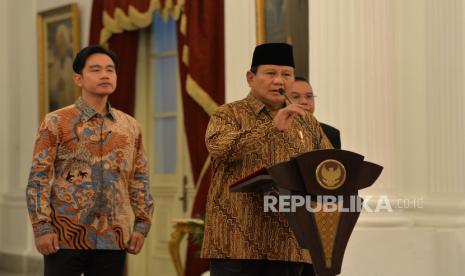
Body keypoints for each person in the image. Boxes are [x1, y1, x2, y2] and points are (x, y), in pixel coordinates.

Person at [201, 43, 332, 276]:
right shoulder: (228, 114)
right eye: (271, 73)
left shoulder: (307, 122)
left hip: (289, 244)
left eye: (286, 74)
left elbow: (327, 165)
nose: (279, 81)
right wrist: (272, 128)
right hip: (236, 242)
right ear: (251, 78)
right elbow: (220, 148)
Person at [26, 45, 154, 276]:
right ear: (78, 78)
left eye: (110, 70)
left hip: (114, 238)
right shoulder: (56, 122)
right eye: (95, 70)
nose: (105, 75)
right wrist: (42, 228)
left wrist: (142, 225)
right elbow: (38, 179)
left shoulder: (130, 126)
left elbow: (140, 179)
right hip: (65, 238)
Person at [287, 76, 341, 149]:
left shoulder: (330, 133)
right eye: (296, 97)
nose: (304, 102)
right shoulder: (275, 131)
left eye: (309, 96)